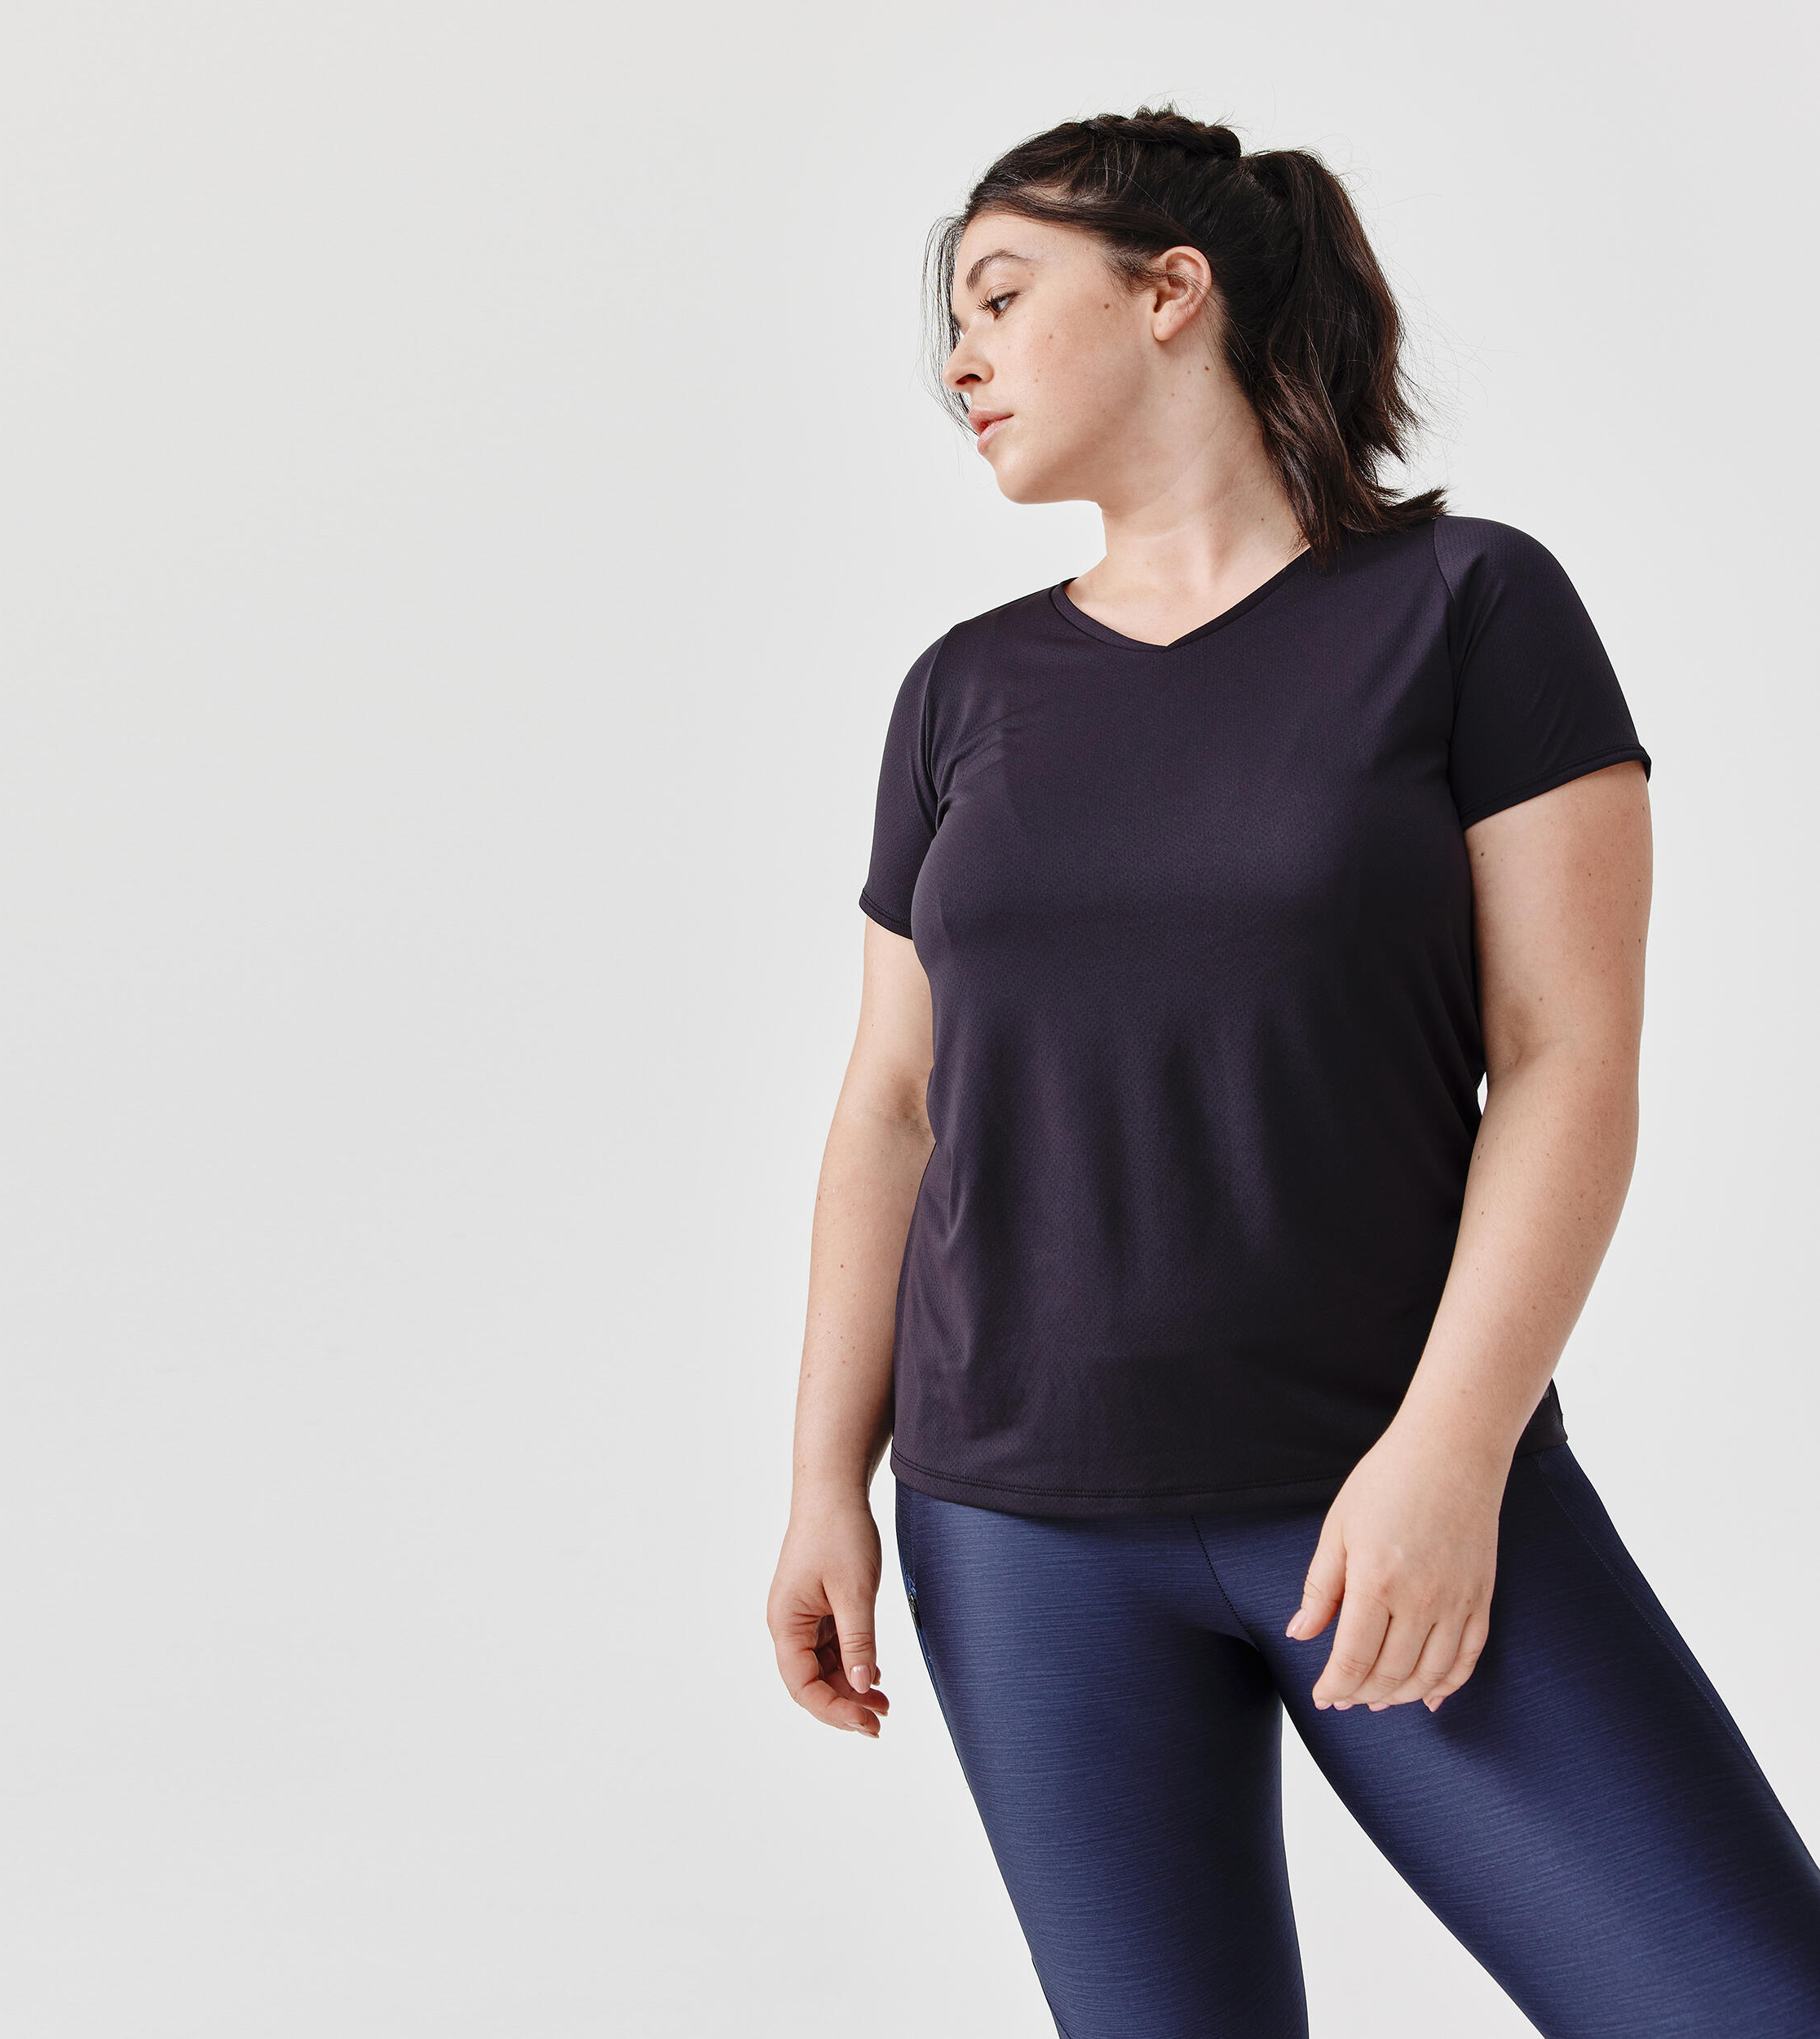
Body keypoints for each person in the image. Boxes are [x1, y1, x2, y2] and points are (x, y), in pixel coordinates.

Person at [764, 104, 1820, 2038]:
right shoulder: (961, 690)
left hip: (1384, 1482)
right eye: (953, 322)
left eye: (998, 296)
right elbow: (891, 1103)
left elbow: (1564, 1058)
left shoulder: (1465, 608)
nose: (956, 358)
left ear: (1170, 291)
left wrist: (1449, 1453)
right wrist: (825, 1476)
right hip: (1016, 1527)